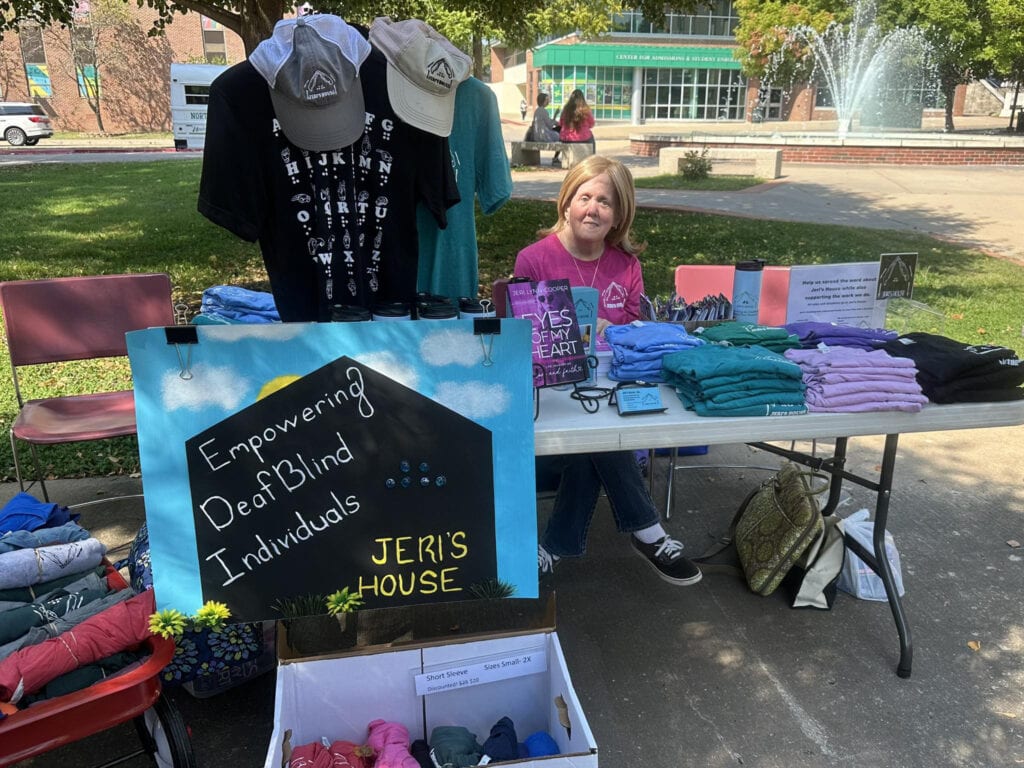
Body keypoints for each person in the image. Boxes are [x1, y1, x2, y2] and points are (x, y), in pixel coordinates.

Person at [513, 155, 702, 586]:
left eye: (605, 201)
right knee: (593, 440)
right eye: (584, 197)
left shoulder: (626, 266)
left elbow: (637, 336)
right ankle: (647, 532)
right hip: (551, 401)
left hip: (612, 393)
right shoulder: (533, 260)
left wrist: (612, 328)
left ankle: (552, 549)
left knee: (596, 440)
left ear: (619, 215)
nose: (592, 209)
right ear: (566, 202)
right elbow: (519, 340)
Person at [554, 89, 596, 166]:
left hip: (566, 139)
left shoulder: (566, 109)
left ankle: (555, 158)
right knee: (591, 137)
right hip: (583, 139)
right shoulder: (586, 109)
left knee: (562, 135)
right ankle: (592, 159)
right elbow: (591, 124)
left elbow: (561, 123)